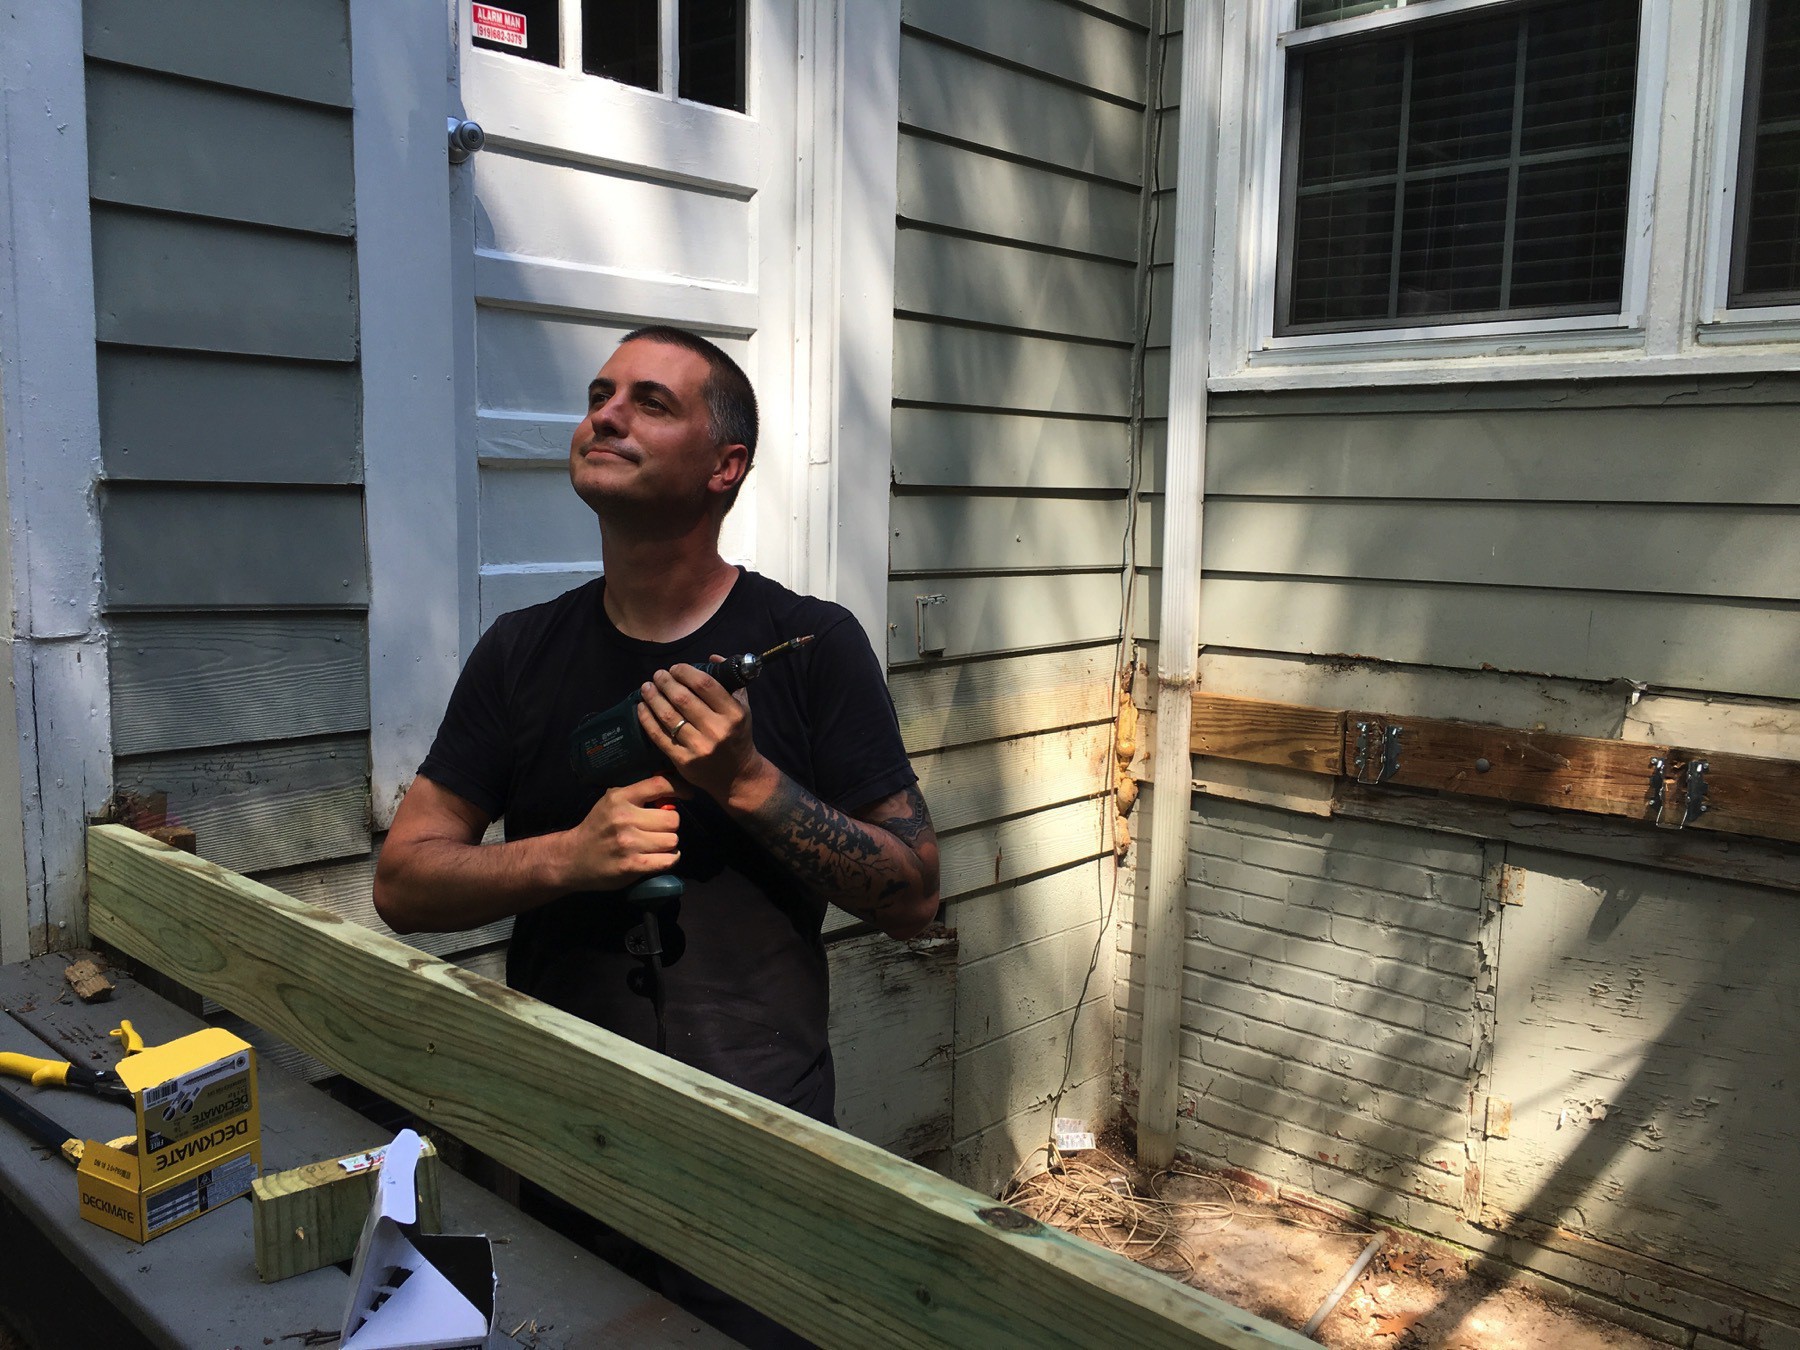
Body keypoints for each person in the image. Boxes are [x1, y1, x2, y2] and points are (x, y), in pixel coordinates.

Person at [372, 325, 939, 1347]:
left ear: (726, 467)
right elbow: (402, 883)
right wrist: (563, 857)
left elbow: (913, 896)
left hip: (761, 1137)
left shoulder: (811, 646)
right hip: (559, 1124)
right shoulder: (519, 654)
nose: (606, 414)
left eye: (650, 401)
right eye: (599, 394)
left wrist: (749, 781)